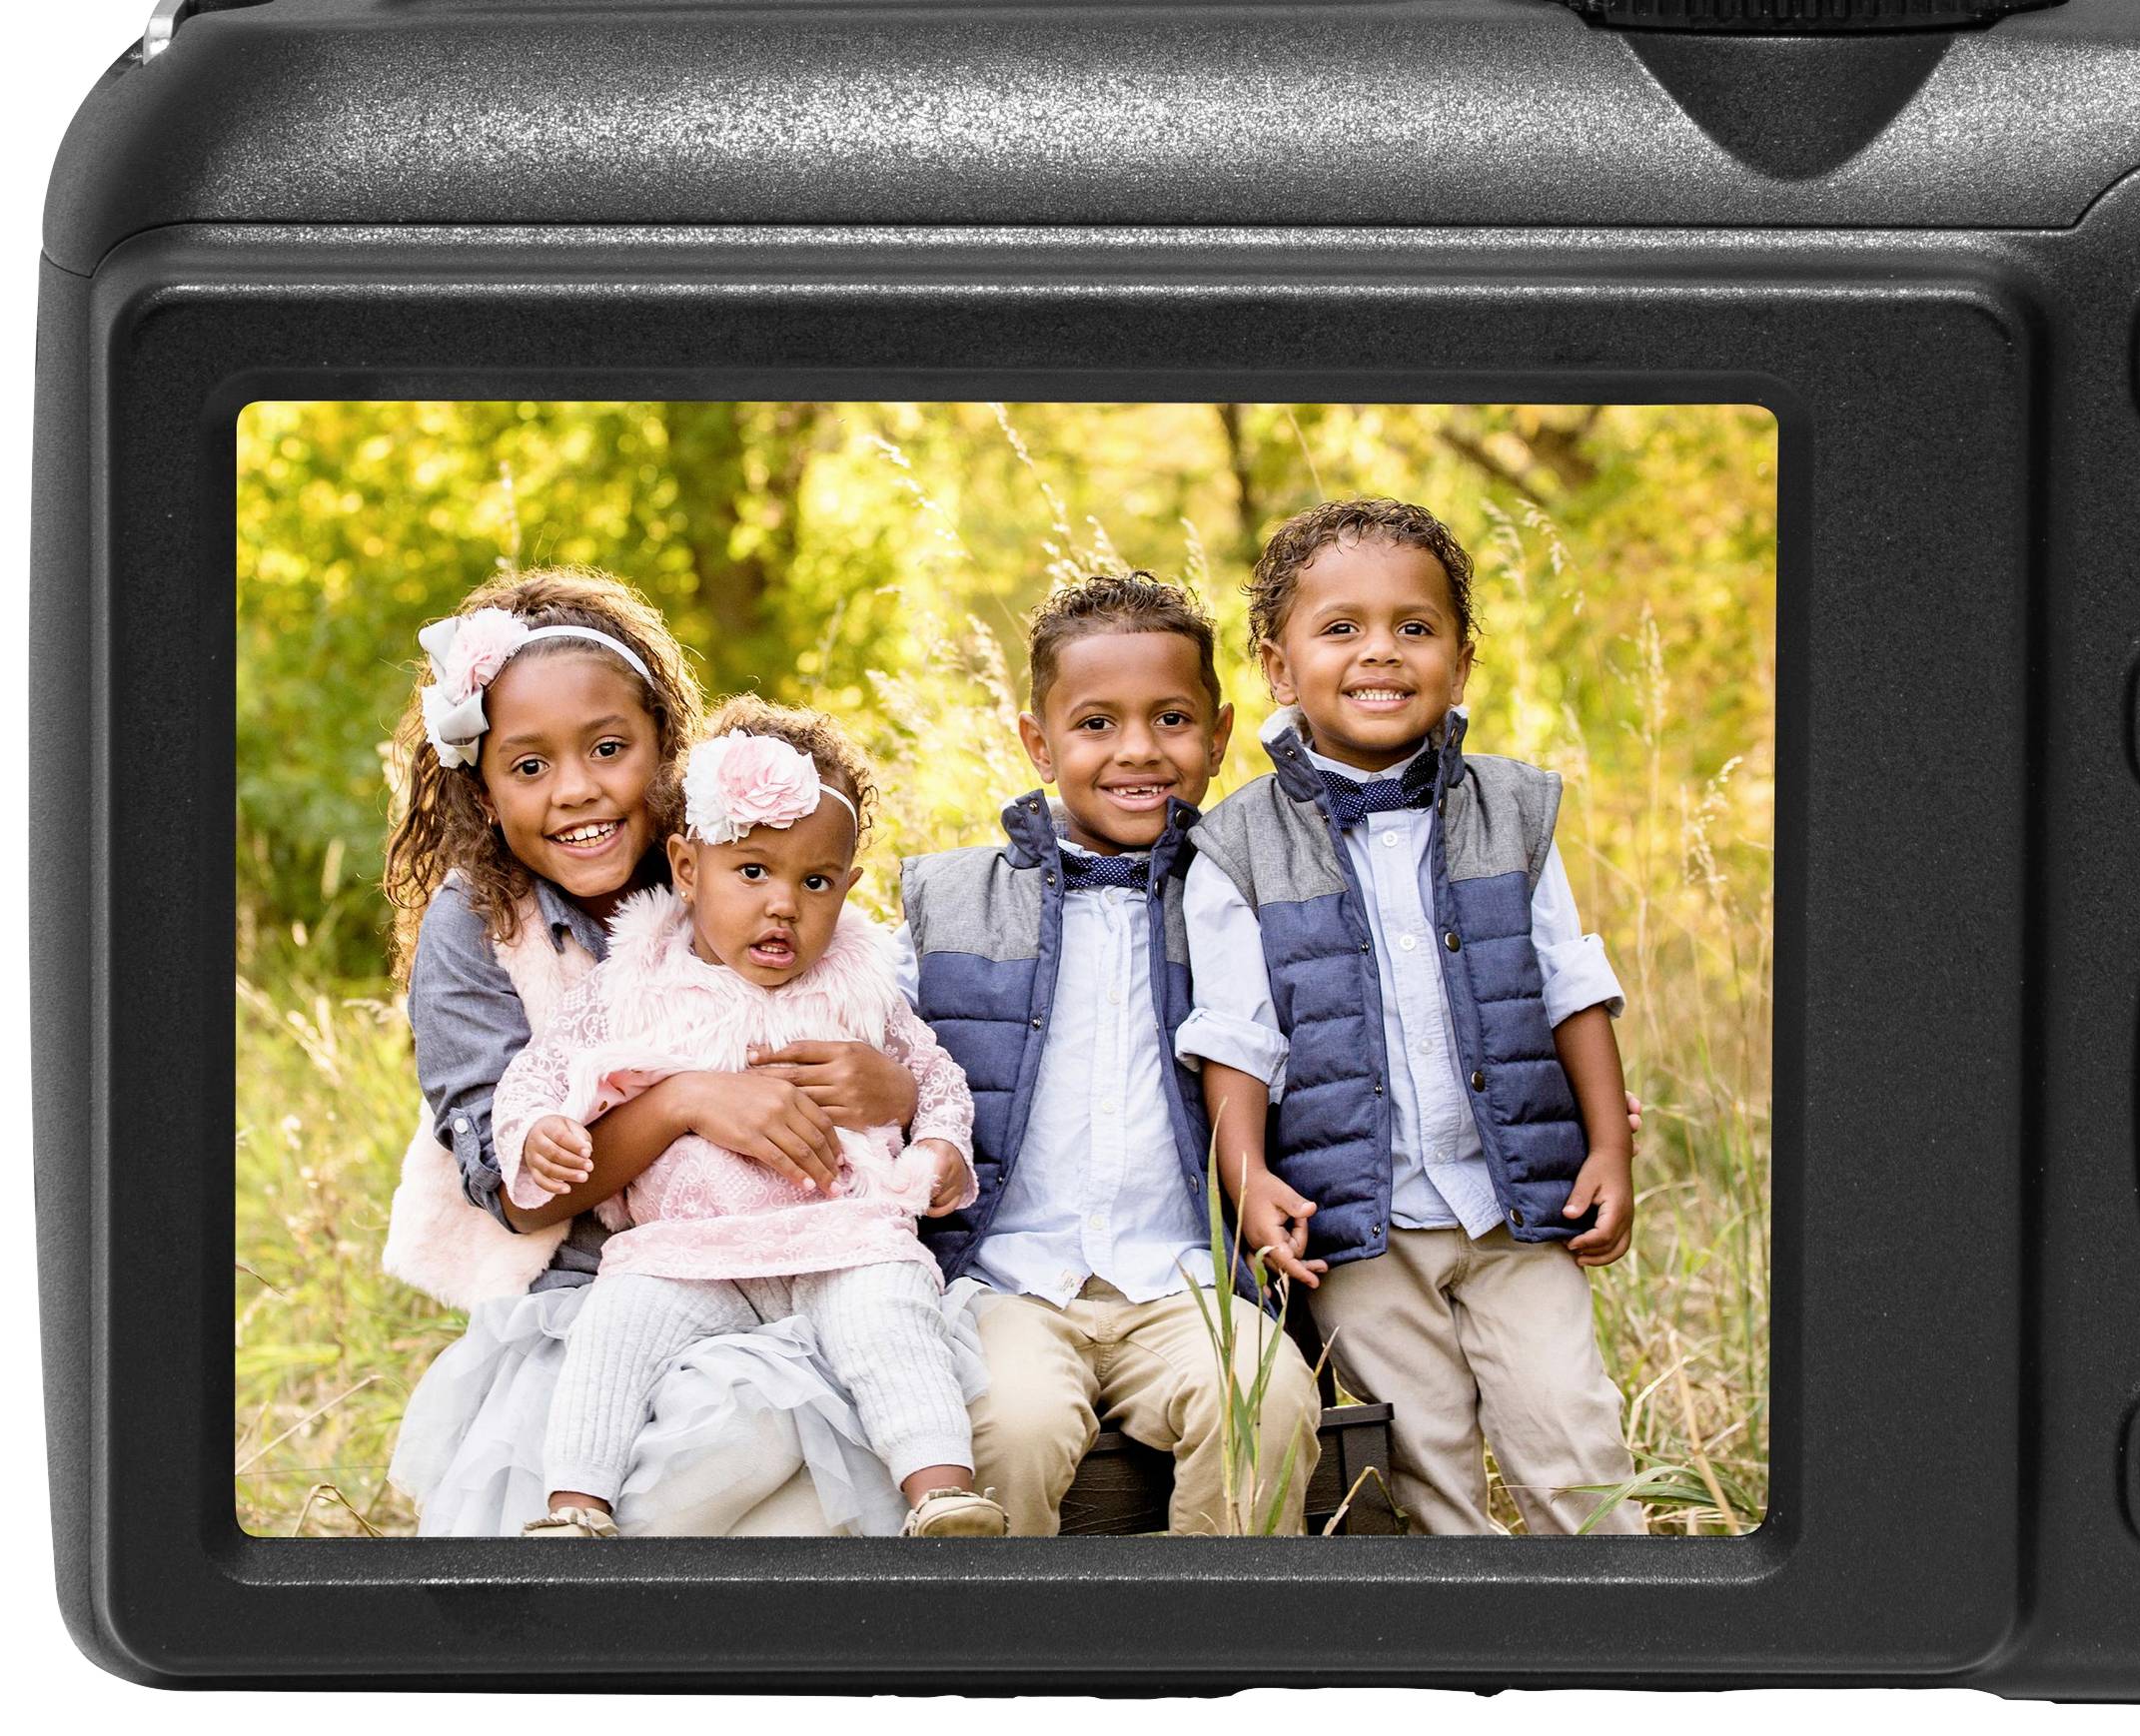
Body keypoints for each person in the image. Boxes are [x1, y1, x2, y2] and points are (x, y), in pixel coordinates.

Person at [381, 570, 938, 1536]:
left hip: (804, 1255)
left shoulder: (739, 866)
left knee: (810, 1464)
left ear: (667, 749)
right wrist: (686, 1100)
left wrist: (893, 1092)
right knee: (737, 1434)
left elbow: (875, 1016)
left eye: (608, 749)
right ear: (484, 791)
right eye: (529, 766)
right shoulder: (479, 926)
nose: (576, 790)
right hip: (595, 1290)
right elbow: (521, 1195)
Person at [1179, 499, 1646, 1534]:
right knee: (1423, 1463)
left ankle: (1615, 1617)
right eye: (1341, 628)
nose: (1380, 652)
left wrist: (1608, 1147)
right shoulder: (1237, 848)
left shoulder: (1511, 811)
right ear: (1279, 667)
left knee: (1573, 1437)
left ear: (1461, 663)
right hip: (1363, 1223)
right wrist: (1247, 1179)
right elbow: (1236, 1036)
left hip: (1516, 1206)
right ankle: (1465, 1626)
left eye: (1415, 627)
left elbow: (1570, 986)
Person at [498, 703, 1001, 1538]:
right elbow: (538, 1074)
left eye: (816, 883)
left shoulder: (858, 985)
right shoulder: (634, 981)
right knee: (613, 1330)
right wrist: (537, 1131)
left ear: (848, 886)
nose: (784, 906)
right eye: (754, 872)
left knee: (891, 1315)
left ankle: (942, 1494)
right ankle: (577, 1508)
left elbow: (935, 1075)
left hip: (840, 1236)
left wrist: (939, 1139)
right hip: (686, 1251)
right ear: (687, 869)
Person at [902, 572, 1323, 1534]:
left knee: (1264, 1399)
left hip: (1183, 1282)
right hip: (1008, 1281)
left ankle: (1226, 1620)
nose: (1138, 749)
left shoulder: (1245, 900)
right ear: (1039, 744)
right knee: (1010, 1429)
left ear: (1219, 734)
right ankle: (1000, 1629)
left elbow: (1360, 1021)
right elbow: (852, 1014)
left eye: (1171, 719)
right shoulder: (950, 903)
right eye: (1096, 724)